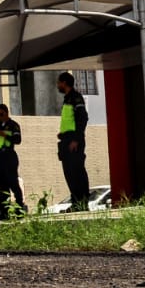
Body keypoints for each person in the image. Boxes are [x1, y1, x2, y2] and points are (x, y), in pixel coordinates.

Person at [56, 72, 91, 209]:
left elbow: (83, 118)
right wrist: (63, 134)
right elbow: (70, 121)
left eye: (59, 82)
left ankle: (82, 202)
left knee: (77, 171)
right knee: (69, 172)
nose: (58, 85)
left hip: (74, 141)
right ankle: (76, 202)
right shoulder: (67, 99)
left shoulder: (76, 98)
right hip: (67, 140)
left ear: (64, 83)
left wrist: (76, 139)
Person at [0, 103, 25, 215]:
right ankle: (6, 211)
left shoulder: (13, 125)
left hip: (9, 156)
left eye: (1, 114)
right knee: (3, 186)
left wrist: (4, 135)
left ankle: (19, 208)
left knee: (13, 183)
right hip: (0, 158)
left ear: (6, 113)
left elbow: (17, 140)